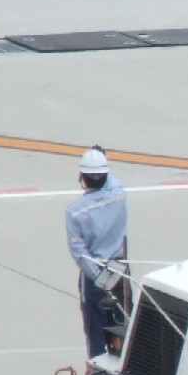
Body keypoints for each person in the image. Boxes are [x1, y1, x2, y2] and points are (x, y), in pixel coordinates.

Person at [65, 147, 128, 360]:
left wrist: (100, 279)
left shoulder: (75, 212)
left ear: (82, 177)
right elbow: (111, 179)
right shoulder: (119, 195)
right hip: (121, 271)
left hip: (95, 276)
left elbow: (79, 254)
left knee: (96, 332)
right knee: (123, 326)